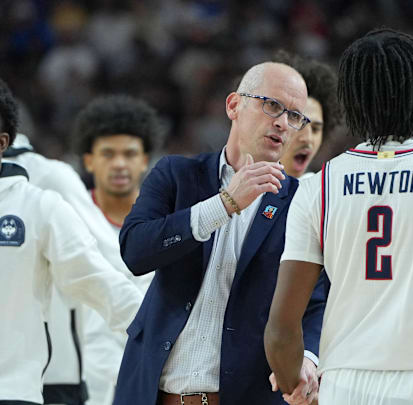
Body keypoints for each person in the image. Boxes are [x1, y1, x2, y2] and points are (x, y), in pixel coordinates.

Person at [265, 29, 413, 405]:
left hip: (344, 385)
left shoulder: (318, 188)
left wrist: (295, 383)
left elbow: (280, 329)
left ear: (352, 101)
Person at [0, 69, 142, 405]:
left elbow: (105, 274)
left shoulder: (45, 192)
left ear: (0, 141)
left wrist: (167, 339)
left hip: (30, 385)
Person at [113, 62, 327, 405]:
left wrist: (309, 357)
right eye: (272, 105)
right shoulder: (176, 174)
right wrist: (224, 204)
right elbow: (135, 250)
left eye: (294, 116)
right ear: (233, 106)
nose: (283, 123)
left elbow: (317, 297)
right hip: (153, 393)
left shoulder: (303, 201)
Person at [74, 95, 160, 405]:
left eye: (129, 153)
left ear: (145, 159)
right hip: (83, 372)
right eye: (108, 154)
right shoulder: (68, 215)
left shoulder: (167, 220)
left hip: (152, 371)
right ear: (89, 161)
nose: (120, 163)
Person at [274, 51, 341, 179]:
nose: (308, 139)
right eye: (298, 123)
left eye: (316, 129)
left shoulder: (324, 193)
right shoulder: (232, 182)